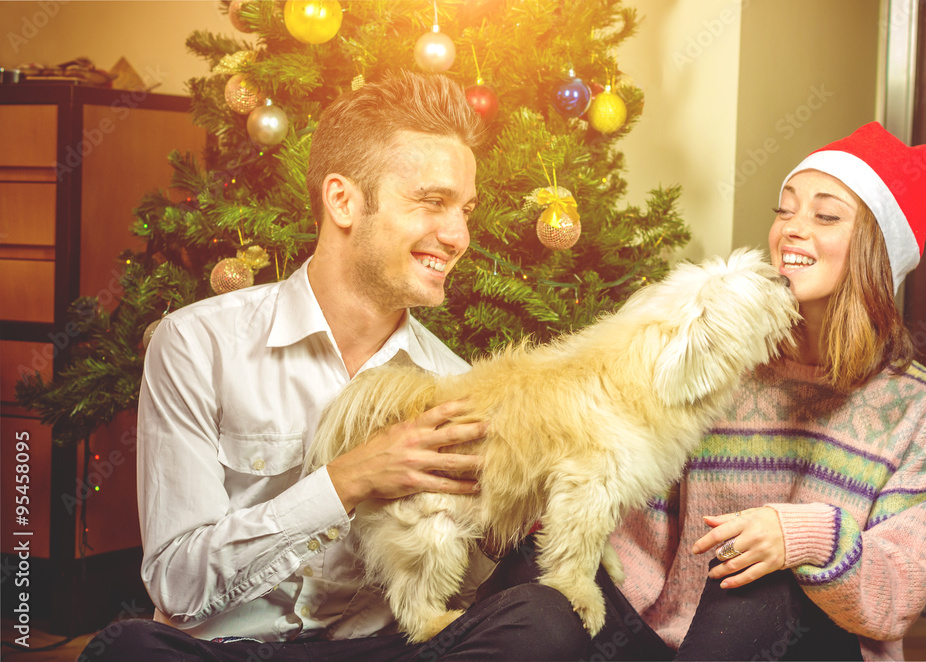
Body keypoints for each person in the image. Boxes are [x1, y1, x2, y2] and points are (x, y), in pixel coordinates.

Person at [80, 71, 592, 661]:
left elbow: (457, 590)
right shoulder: (198, 343)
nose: (457, 236)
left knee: (545, 623)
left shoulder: (454, 383)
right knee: (127, 651)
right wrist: (348, 482)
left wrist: (514, 501)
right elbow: (177, 583)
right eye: (432, 202)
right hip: (231, 650)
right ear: (343, 200)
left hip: (382, 650)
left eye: (466, 210)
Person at [608, 122, 926, 661]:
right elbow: (643, 539)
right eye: (785, 210)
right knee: (544, 584)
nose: (792, 229)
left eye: (824, 215)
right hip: (683, 643)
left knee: (765, 583)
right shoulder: (722, 368)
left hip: (816, 644)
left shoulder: (918, 409)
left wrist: (806, 537)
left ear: (876, 250)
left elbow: (898, 593)